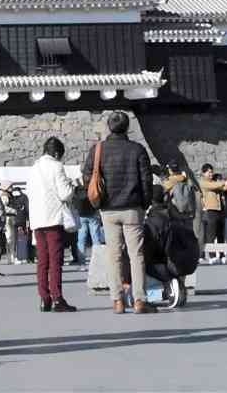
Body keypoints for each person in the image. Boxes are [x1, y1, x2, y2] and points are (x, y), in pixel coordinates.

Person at [83, 111, 155, 314]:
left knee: (113, 255)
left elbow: (87, 177)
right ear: (127, 127)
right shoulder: (138, 150)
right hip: (133, 208)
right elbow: (146, 181)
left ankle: (118, 301)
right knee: (136, 255)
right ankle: (139, 300)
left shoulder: (98, 150)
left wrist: (98, 203)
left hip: (108, 209)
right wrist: (144, 204)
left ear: (109, 126)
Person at [27, 136, 77, 313]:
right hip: (52, 218)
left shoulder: (33, 168)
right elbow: (64, 194)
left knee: (42, 261)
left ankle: (44, 299)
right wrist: (73, 186)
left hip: (37, 220)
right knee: (55, 261)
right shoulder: (56, 166)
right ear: (56, 153)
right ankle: (57, 298)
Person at [199, 164, 227, 264]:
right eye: (209, 172)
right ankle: (212, 256)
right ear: (203, 173)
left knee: (220, 235)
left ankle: (222, 255)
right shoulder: (203, 182)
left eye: (211, 172)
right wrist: (224, 182)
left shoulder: (215, 182)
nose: (211, 174)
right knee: (211, 235)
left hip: (220, 210)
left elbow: (225, 187)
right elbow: (215, 186)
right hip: (211, 211)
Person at [74, 182, 102, 269]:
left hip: (81, 214)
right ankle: (97, 262)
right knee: (96, 238)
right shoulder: (93, 182)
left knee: (81, 239)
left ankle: (82, 263)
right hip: (93, 212)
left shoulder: (77, 185)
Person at [0, 181, 18, 263]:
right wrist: (14, 210)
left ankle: (11, 257)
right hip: (8, 218)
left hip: (11, 218)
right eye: (10, 186)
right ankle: (10, 257)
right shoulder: (5, 196)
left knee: (12, 238)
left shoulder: (9, 195)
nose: (12, 188)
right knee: (9, 238)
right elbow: (3, 207)